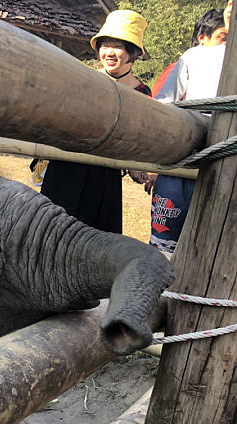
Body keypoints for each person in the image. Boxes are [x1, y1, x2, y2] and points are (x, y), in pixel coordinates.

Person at [39, 10, 151, 234]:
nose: (109, 52)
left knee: (95, 242)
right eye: (105, 45)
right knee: (52, 234)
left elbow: (136, 137)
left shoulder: (142, 93)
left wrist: (136, 166)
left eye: (118, 46)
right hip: (68, 164)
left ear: (133, 52)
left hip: (105, 175)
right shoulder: (84, 78)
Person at [147, 2, 231, 254]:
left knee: (213, 244)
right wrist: (153, 157)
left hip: (225, 156)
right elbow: (163, 104)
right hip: (184, 152)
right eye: (223, 36)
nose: (227, 43)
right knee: (167, 242)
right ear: (202, 38)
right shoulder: (193, 57)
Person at [152, 9, 227, 96]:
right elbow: (160, 103)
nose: (226, 45)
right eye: (223, 38)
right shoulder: (184, 63)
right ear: (202, 38)